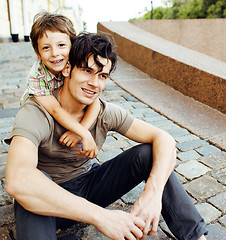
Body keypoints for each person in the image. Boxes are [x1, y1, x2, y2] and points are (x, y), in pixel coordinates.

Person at [5, 32, 208, 240]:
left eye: (102, 76)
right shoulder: (36, 112)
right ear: (67, 69)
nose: (94, 83)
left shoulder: (103, 112)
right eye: (87, 71)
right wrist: (102, 217)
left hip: (89, 186)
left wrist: (153, 194)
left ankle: (196, 237)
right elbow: (16, 179)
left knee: (149, 153)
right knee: (28, 190)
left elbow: (164, 139)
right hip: (48, 202)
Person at [21, 11, 99, 158]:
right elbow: (55, 110)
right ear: (38, 53)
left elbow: (96, 102)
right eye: (46, 48)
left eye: (61, 45)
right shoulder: (36, 77)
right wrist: (84, 134)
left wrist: (80, 130)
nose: (55, 53)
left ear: (72, 45)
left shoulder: (75, 64)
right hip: (43, 111)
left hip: (65, 109)